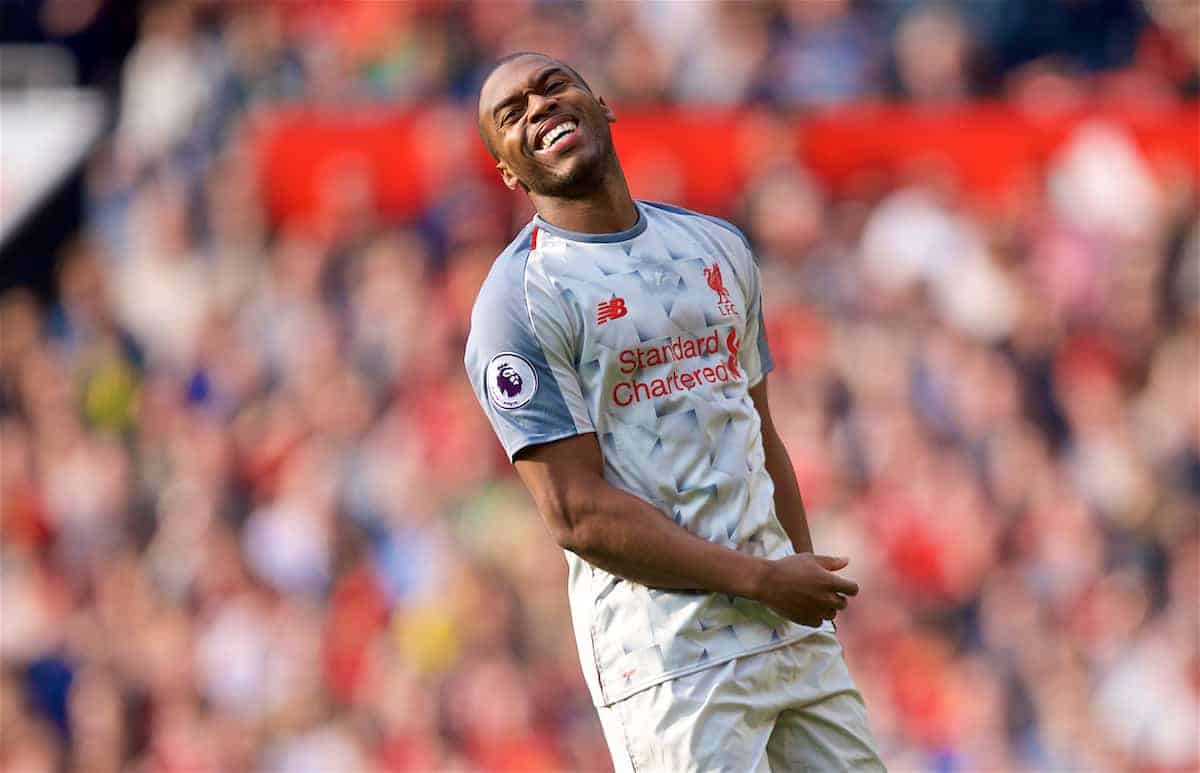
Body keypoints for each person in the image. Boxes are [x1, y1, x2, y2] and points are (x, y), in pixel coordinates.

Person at [465, 51, 885, 772]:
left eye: (552, 87)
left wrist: (798, 571)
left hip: (788, 631)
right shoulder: (521, 302)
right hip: (669, 661)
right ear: (507, 170)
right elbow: (577, 514)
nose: (537, 108)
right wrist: (761, 579)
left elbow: (759, 432)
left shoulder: (714, 248)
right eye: (512, 113)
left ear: (603, 104)